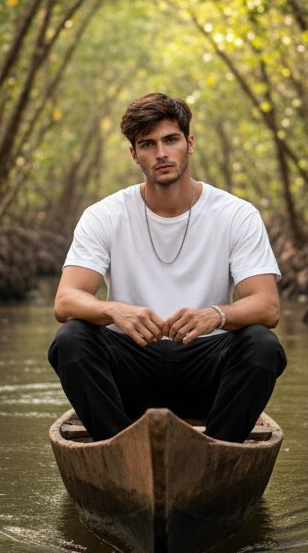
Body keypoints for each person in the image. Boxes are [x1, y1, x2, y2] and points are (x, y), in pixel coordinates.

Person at [48, 92, 287, 443]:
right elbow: (65, 301)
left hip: (207, 371)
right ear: (134, 154)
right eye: (147, 144)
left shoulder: (236, 214)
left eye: (171, 140)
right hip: (130, 371)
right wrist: (115, 311)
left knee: (262, 344)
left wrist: (215, 315)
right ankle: (116, 452)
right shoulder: (105, 215)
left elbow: (267, 307)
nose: (161, 153)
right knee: (70, 340)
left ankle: (219, 451)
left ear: (189, 143)